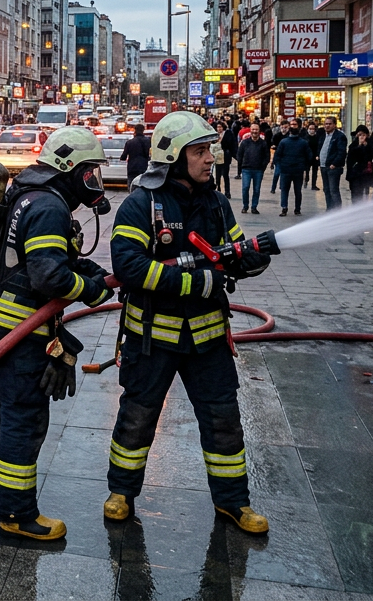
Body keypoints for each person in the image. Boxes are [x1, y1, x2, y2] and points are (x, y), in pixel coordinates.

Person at [104, 111, 271, 534]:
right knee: (137, 417)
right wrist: (195, 282)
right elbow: (128, 266)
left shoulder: (216, 203)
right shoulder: (141, 204)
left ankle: (233, 503)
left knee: (223, 421)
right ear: (173, 158)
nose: (209, 158)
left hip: (208, 340)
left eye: (209, 149)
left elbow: (231, 249)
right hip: (151, 340)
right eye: (199, 151)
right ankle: (121, 492)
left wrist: (250, 257)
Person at [0, 126, 114, 541]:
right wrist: (91, 288)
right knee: (24, 417)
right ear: (69, 169)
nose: (94, 183)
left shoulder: (26, 193)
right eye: (90, 173)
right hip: (18, 330)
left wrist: (86, 269)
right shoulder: (50, 208)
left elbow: (30, 259)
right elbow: (49, 278)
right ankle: (17, 513)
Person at [272, 124, 311, 216]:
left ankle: (284, 207)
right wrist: (304, 165)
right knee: (298, 191)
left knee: (284, 190)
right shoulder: (303, 143)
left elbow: (277, 155)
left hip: (286, 169)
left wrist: (279, 164)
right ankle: (297, 209)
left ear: (289, 133)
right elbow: (309, 156)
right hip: (298, 170)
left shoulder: (284, 142)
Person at [236, 127, 269, 214]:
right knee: (245, 188)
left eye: (256, 130)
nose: (254, 131)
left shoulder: (263, 143)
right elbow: (239, 155)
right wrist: (241, 166)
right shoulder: (245, 142)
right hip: (246, 169)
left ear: (259, 131)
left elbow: (267, 156)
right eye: (253, 129)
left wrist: (263, 167)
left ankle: (254, 207)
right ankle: (245, 206)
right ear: (250, 131)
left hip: (258, 170)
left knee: (257, 189)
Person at [318, 116, 348, 209]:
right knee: (326, 190)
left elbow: (341, 152)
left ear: (334, 125)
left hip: (333, 168)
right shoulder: (323, 135)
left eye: (329, 124)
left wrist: (334, 163)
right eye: (326, 124)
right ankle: (329, 209)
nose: (327, 126)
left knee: (333, 190)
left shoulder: (339, 136)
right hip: (323, 166)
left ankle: (337, 211)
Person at [345, 126, 373, 201]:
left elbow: (369, 157)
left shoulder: (370, 145)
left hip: (365, 174)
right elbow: (350, 159)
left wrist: (365, 147)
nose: (362, 137)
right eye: (360, 135)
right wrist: (359, 146)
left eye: (363, 135)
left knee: (365, 194)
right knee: (355, 195)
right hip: (354, 175)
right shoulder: (353, 146)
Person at [121, 123, 150, 188]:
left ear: (135, 130)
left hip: (132, 168)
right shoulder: (148, 141)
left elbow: (123, 157)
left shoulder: (130, 142)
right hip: (144, 167)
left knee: (132, 185)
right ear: (143, 130)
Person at [268, 120, 290, 194]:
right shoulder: (277, 136)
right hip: (278, 158)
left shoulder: (289, 136)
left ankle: (281, 186)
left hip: (287, 158)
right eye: (283, 127)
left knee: (284, 174)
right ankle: (273, 188)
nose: (284, 129)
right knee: (277, 173)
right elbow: (272, 145)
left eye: (286, 127)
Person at [215, 122, 235, 198]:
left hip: (225, 156)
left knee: (225, 175)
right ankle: (218, 189)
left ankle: (227, 192)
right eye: (218, 127)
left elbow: (231, 144)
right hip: (217, 157)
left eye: (220, 127)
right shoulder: (215, 135)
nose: (219, 129)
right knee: (217, 174)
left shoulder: (228, 134)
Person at [304, 121, 322, 190]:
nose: (311, 130)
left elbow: (319, 146)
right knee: (307, 170)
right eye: (310, 128)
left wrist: (318, 155)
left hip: (315, 157)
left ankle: (313, 185)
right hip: (307, 157)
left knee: (315, 171)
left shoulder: (317, 137)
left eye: (313, 129)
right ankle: (306, 180)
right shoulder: (306, 137)